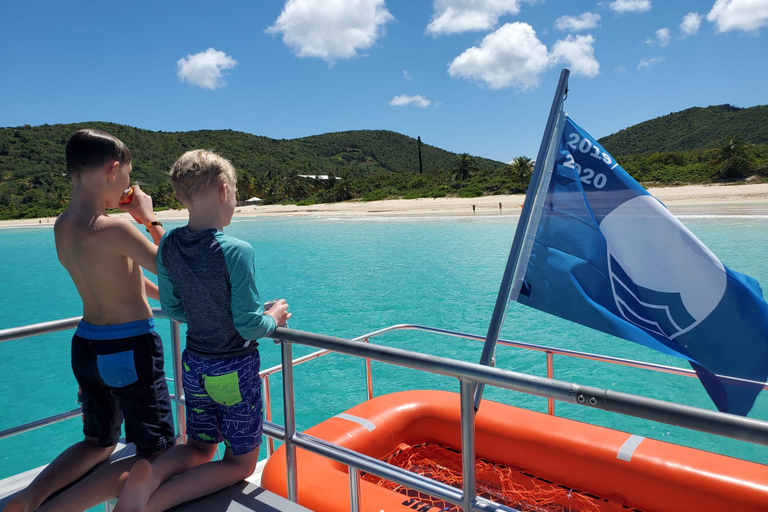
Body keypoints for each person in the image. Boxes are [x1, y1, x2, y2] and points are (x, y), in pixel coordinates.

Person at [4, 129, 176, 512]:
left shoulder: (63, 225)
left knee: (97, 442)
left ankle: (29, 498)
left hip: (87, 347)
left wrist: (165, 299)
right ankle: (59, 508)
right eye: (128, 176)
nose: (128, 186)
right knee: (157, 450)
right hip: (129, 348)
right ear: (112, 170)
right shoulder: (115, 227)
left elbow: (123, 277)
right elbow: (175, 268)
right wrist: (149, 219)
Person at [114, 150, 291, 512]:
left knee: (199, 447)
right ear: (225, 191)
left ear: (182, 196)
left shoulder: (171, 246)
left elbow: (175, 307)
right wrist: (274, 317)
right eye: (237, 193)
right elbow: (249, 324)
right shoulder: (237, 251)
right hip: (232, 372)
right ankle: (154, 502)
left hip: (194, 367)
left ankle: (149, 475)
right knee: (239, 463)